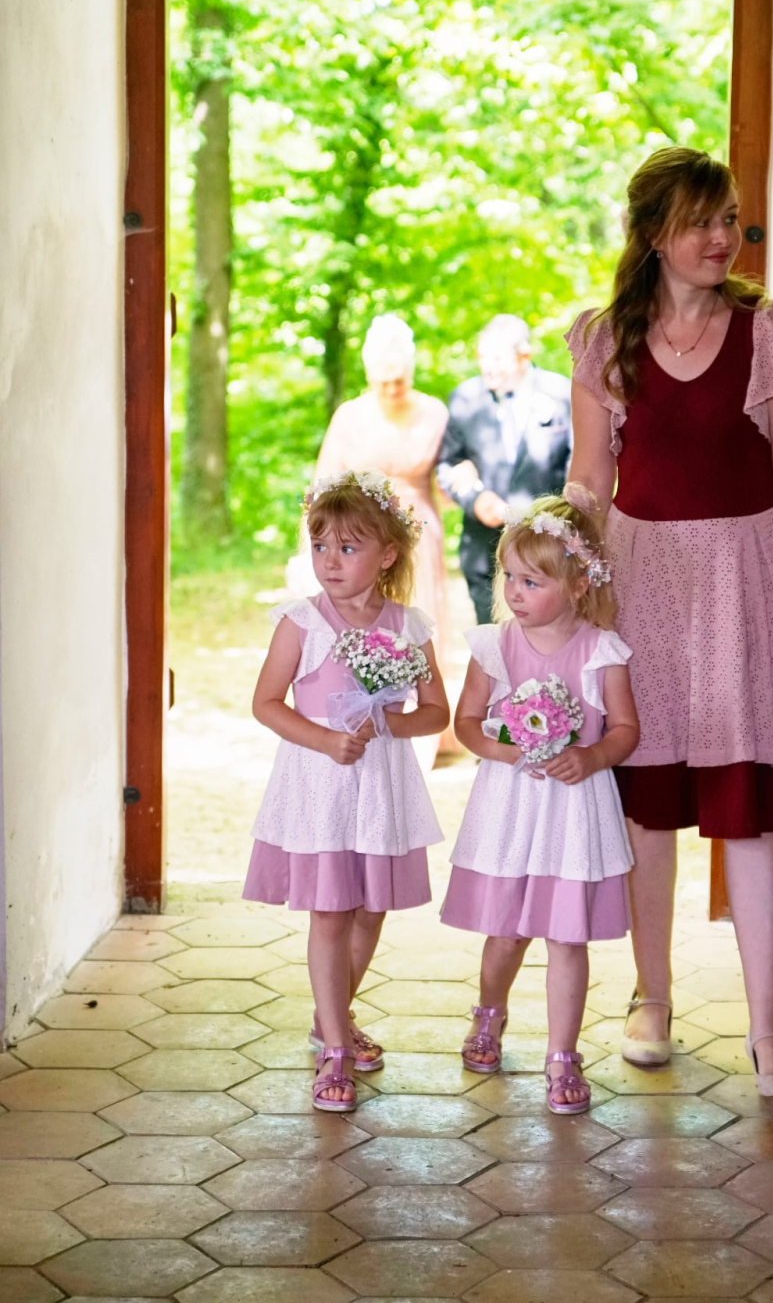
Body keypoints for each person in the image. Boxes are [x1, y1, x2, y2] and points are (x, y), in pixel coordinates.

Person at [565, 145, 773, 1100]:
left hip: (751, 580)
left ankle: (768, 1033)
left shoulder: (766, 333)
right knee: (648, 807)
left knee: (753, 810)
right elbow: (590, 478)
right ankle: (651, 1000)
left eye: (729, 217)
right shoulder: (603, 341)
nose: (721, 236)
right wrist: (565, 578)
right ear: (655, 233)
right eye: (700, 220)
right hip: (641, 582)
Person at [244, 471, 449, 1112]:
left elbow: (436, 712)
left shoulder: (408, 625)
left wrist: (388, 722)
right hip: (320, 781)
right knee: (331, 911)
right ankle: (334, 1047)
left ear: (387, 554)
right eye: (320, 546)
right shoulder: (301, 623)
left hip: (380, 786)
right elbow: (266, 703)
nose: (329, 561)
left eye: (348, 547)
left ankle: (330, 1014)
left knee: (370, 910)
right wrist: (326, 739)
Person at [441, 496, 639, 1115]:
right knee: (505, 932)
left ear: (578, 585)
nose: (515, 592)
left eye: (532, 581)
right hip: (511, 806)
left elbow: (625, 730)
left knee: (566, 937)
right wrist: (502, 749)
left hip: (573, 811)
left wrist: (593, 756)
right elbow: (466, 723)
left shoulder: (602, 650)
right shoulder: (495, 646)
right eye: (510, 577)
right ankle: (488, 1014)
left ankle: (562, 1054)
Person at [288, 315, 450, 675]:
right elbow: (323, 486)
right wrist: (310, 547)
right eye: (383, 382)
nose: (391, 389)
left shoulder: (435, 413)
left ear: (412, 372)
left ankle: (421, 698)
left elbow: (449, 476)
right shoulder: (349, 416)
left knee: (416, 618)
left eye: (399, 381)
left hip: (418, 530)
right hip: (357, 533)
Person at [437, 315, 572, 624]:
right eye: (482, 357)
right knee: (492, 644)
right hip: (484, 551)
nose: (488, 367)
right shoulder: (464, 397)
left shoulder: (561, 393)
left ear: (524, 356)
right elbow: (448, 464)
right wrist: (475, 499)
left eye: (497, 358)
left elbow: (577, 466)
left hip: (547, 551)